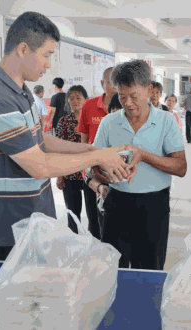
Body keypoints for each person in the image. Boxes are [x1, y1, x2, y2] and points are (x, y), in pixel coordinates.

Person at [0, 11, 130, 261]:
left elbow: (41, 140)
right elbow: (39, 165)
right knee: (16, 298)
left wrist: (90, 150)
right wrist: (98, 157)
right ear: (23, 49)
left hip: (32, 218)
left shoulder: (21, 93)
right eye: (46, 55)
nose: (48, 64)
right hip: (9, 226)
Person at [91, 59, 187, 270]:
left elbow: (181, 167)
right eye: (122, 96)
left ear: (149, 89)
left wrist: (143, 155)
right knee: (114, 267)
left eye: (133, 96)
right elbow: (94, 166)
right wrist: (105, 174)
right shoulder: (109, 123)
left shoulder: (166, 121)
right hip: (117, 203)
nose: (127, 103)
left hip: (153, 206)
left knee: (150, 267)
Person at [77, 67, 117, 239]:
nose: (116, 87)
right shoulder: (89, 106)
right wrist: (85, 171)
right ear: (102, 84)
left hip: (117, 174)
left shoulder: (127, 107)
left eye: (119, 83)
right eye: (111, 82)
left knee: (114, 224)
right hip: (93, 174)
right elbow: (83, 142)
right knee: (94, 222)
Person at [84, 93, 123, 237]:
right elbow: (87, 175)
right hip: (108, 203)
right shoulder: (101, 141)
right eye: (114, 113)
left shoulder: (137, 143)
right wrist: (99, 186)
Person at [56, 85, 89, 233]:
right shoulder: (64, 121)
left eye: (78, 97)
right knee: (73, 213)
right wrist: (59, 175)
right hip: (69, 171)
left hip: (90, 173)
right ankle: (74, 242)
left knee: (93, 213)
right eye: (72, 98)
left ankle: (93, 243)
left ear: (85, 100)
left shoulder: (92, 121)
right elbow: (58, 150)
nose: (75, 101)